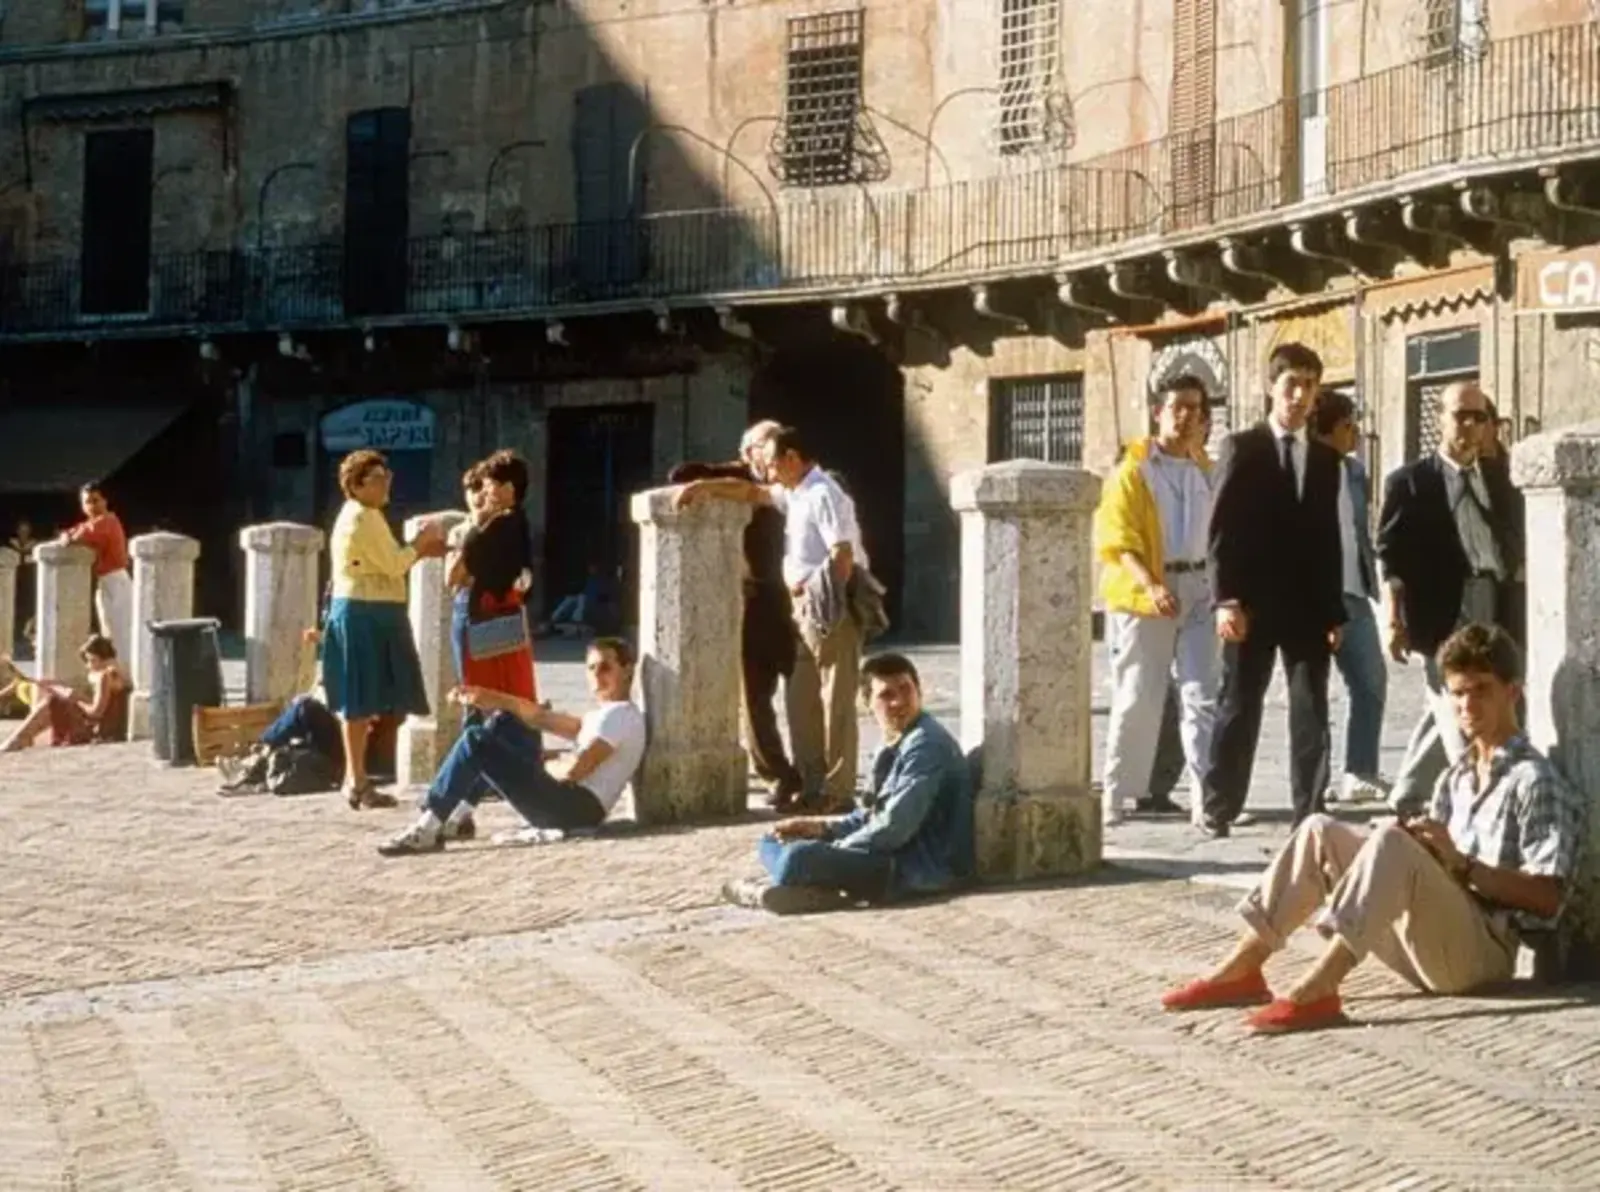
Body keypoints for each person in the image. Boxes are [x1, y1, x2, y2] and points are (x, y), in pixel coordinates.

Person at [1161, 624, 1581, 1034]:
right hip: (1434, 939)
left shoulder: (1534, 780)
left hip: (1485, 953)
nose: (1468, 706)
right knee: (1320, 829)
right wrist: (1426, 848)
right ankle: (1244, 968)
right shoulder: (1457, 777)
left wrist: (1463, 865)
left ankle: (1323, 985)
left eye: (1482, 690)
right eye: (1458, 694)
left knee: (1392, 843)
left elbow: (1548, 899)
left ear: (1512, 692)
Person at [675, 426, 885, 812]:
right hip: (803, 610)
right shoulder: (795, 492)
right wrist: (705, 487)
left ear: (793, 459)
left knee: (836, 702)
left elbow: (841, 553)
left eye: (772, 463)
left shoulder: (823, 493)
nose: (767, 471)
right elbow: (752, 493)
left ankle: (837, 793)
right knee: (800, 699)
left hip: (827, 607)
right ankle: (811, 784)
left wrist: (827, 607)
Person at [1199, 343, 1346, 837]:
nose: (1300, 396)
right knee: (1238, 705)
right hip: (1251, 606)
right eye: (1291, 385)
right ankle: (1218, 806)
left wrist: (1334, 613)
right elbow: (1220, 531)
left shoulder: (1328, 461)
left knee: (1311, 710)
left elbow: (1329, 539)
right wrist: (1226, 600)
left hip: (1307, 607)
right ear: (1272, 388)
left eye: (1309, 386)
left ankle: (1310, 811)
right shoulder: (1243, 447)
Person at [722, 652, 975, 914]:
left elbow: (895, 827)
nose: (899, 701)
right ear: (867, 702)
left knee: (799, 858)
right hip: (884, 853)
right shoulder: (892, 740)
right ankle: (807, 889)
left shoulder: (926, 744)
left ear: (919, 692)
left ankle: (781, 885)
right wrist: (820, 830)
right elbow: (868, 815)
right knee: (772, 839)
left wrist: (833, 849)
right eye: (886, 695)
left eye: (905, 690)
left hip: (913, 868)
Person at [1377, 380, 1524, 816]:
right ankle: (1470, 810)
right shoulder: (1411, 482)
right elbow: (1390, 556)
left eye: (1480, 417)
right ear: (1439, 419)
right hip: (1443, 608)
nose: (1470, 425)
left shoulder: (1498, 478)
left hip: (1494, 600)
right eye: (1461, 415)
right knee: (1461, 709)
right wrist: (1393, 619)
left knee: (1451, 702)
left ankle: (1407, 794)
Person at [377, 637, 647, 856]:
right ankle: (459, 816)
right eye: (591, 668)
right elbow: (539, 717)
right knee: (504, 722)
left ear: (627, 670)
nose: (597, 676)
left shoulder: (620, 715)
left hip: (574, 808)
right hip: (570, 805)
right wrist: (490, 697)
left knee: (476, 741)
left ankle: (428, 826)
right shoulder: (601, 716)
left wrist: (540, 760)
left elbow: (575, 770)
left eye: (606, 668)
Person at [1094, 375, 1218, 825]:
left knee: (1202, 695)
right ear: (1158, 412)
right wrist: (1151, 585)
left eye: (1197, 409)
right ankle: (1117, 792)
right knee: (1138, 694)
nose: (1188, 417)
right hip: (1143, 594)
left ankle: (1208, 797)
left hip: (1200, 589)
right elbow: (1118, 539)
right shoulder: (1133, 471)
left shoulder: (1208, 471)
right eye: (1178, 407)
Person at [668, 419, 804, 809]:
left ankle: (814, 769)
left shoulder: (796, 483)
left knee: (806, 692)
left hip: (797, 599)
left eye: (776, 448)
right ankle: (778, 774)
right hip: (757, 602)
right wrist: (739, 469)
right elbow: (681, 474)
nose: (771, 456)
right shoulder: (744, 480)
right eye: (764, 448)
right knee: (754, 697)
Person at [324, 449, 446, 809]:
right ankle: (357, 779)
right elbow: (394, 564)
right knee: (359, 698)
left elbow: (386, 562)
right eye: (378, 478)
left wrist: (422, 551)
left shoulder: (357, 515)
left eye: (387, 475)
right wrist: (420, 545)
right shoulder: (366, 516)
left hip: (365, 610)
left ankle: (357, 779)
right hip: (367, 611)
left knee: (362, 698)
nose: (386, 482)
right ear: (357, 485)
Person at [1312, 391, 1389, 805]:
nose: (1355, 434)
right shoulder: (1302, 468)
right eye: (1348, 426)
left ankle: (1359, 771)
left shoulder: (1355, 472)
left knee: (1370, 681)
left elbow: (1360, 530)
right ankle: (1314, 777)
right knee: (1314, 689)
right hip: (1314, 596)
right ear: (1326, 429)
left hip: (1354, 593)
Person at [450, 450, 539, 704]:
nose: (484, 493)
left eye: (489, 485)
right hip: (507, 611)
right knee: (512, 684)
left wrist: (476, 524)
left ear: (507, 488)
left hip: (487, 612)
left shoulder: (498, 525)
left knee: (483, 689)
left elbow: (456, 573)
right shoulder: (520, 521)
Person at [1, 635, 128, 752]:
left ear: (104, 658)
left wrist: (77, 699)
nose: (89, 666)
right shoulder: (113, 674)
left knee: (52, 702)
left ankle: (21, 737)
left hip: (97, 729)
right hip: (96, 724)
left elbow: (96, 712)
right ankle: (23, 737)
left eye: (92, 660)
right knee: (54, 699)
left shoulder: (105, 676)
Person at [58, 484, 133, 660]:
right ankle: (117, 676)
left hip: (116, 582)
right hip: (106, 582)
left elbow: (79, 535)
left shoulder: (108, 521)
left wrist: (67, 536)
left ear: (105, 501)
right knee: (110, 631)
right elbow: (76, 530)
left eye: (95, 500)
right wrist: (67, 534)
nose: (91, 506)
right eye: (87, 502)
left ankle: (126, 677)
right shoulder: (95, 522)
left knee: (122, 633)